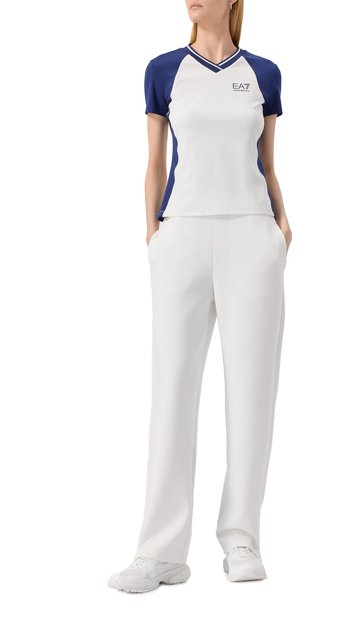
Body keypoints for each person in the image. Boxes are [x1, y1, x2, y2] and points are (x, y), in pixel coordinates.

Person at [108, 0, 292, 594]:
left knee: (252, 390)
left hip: (251, 235)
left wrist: (280, 228)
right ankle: (160, 552)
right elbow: (153, 163)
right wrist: (153, 233)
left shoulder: (263, 74)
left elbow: (267, 163)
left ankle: (242, 538)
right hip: (181, 235)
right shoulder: (163, 70)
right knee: (172, 388)